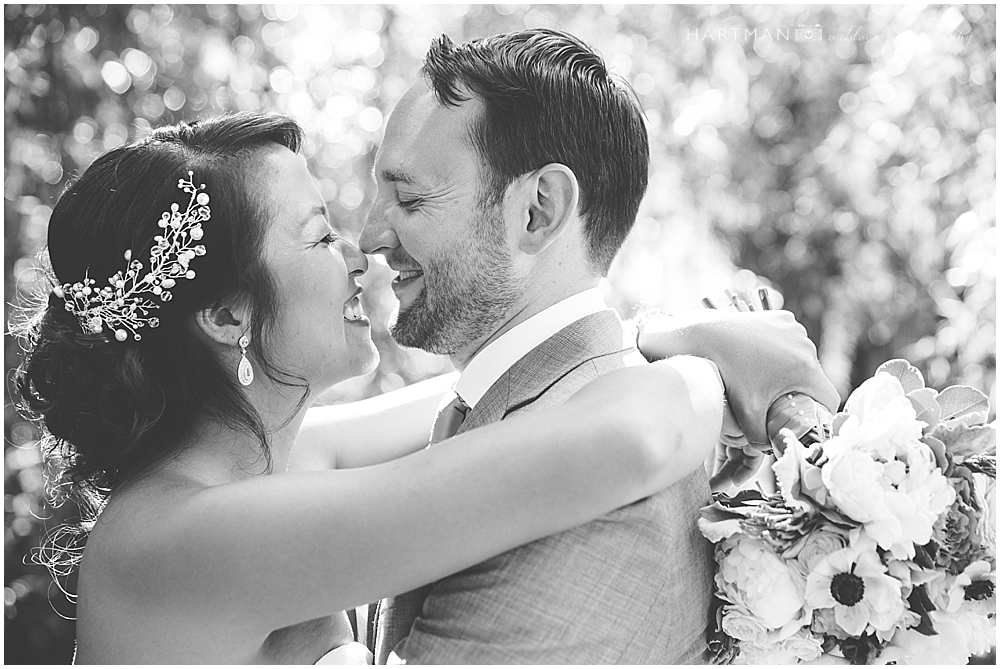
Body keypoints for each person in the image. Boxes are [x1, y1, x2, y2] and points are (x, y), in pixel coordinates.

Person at [11, 111, 776, 664]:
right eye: (318, 235)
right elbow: (632, 437)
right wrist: (724, 363)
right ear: (225, 312)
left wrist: (655, 333)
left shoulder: (254, 468)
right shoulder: (195, 539)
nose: (361, 253)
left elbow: (491, 397)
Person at [346, 28, 840, 663]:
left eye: (409, 199)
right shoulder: (538, 398)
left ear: (539, 211)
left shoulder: (595, 488)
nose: (369, 237)